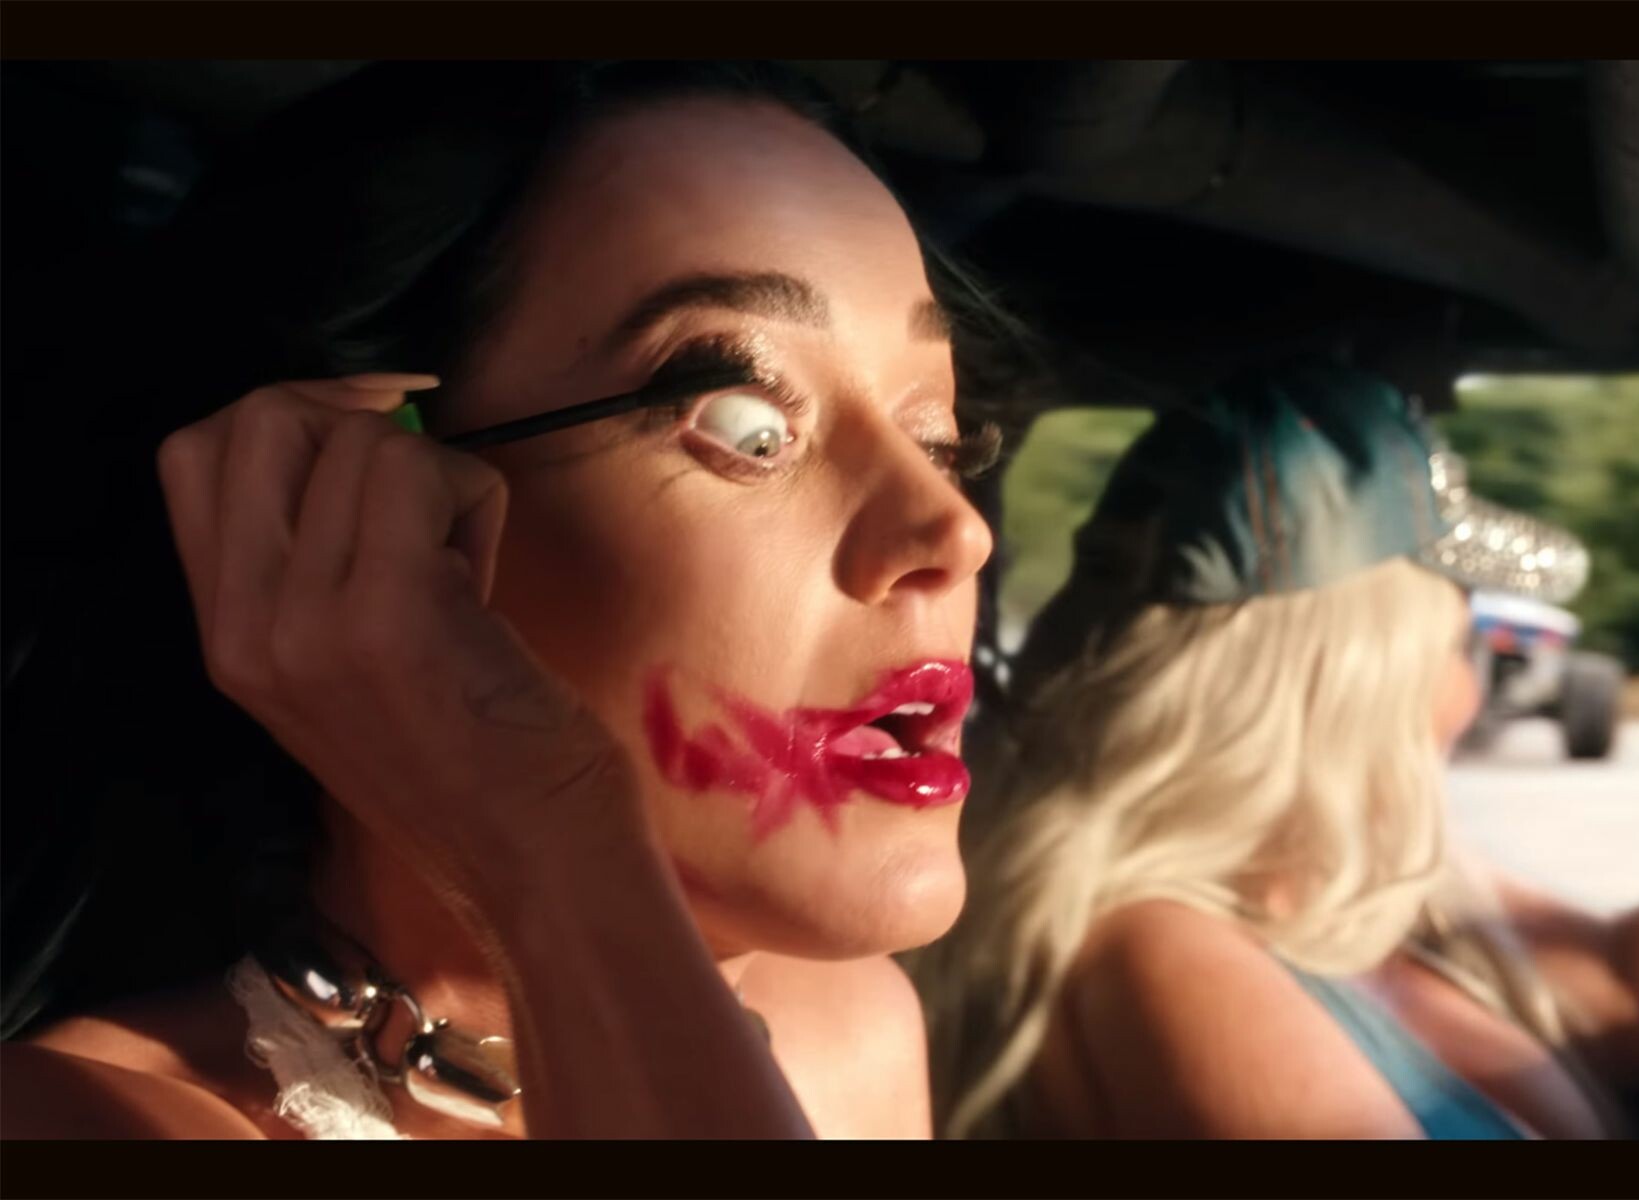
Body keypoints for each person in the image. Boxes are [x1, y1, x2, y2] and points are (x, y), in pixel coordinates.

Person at [0, 61, 1010, 1139]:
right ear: (337, 502)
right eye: (748, 428)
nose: (956, 532)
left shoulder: (854, 1035)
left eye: (937, 439)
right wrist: (546, 842)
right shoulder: (81, 1118)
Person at [916, 362, 1639, 1139]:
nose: (1470, 688)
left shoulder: (1327, 879)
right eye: (1454, 640)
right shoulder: (1162, 965)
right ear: (1358, 684)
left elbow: (1616, 977)